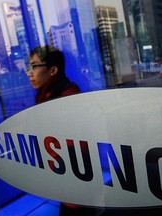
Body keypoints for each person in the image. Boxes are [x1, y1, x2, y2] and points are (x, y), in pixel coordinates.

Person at [27, 45, 97, 215]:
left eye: (35, 66)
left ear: (53, 70)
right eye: (29, 67)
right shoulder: (48, 96)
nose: (30, 73)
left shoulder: (65, 99)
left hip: (75, 189)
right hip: (66, 183)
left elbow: (78, 149)